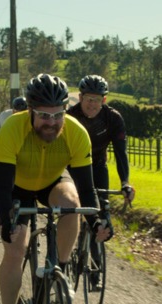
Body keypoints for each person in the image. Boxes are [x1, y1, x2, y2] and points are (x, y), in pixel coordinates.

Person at [0, 74, 112, 304]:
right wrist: (6, 222)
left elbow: (87, 189)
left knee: (72, 204)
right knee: (15, 250)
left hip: (53, 182)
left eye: (58, 115)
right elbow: (3, 186)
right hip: (18, 187)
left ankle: (60, 270)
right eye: (44, 116)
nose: (52, 122)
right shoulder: (12, 129)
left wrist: (97, 220)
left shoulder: (76, 133)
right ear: (30, 111)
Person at [66, 75, 136, 288]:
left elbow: (121, 154)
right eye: (88, 99)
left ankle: (96, 268)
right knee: (68, 211)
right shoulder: (70, 116)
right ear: (80, 98)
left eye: (97, 100)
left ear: (104, 100)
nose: (92, 104)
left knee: (101, 214)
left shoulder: (113, 118)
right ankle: (61, 259)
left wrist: (125, 182)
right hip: (72, 166)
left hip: (97, 167)